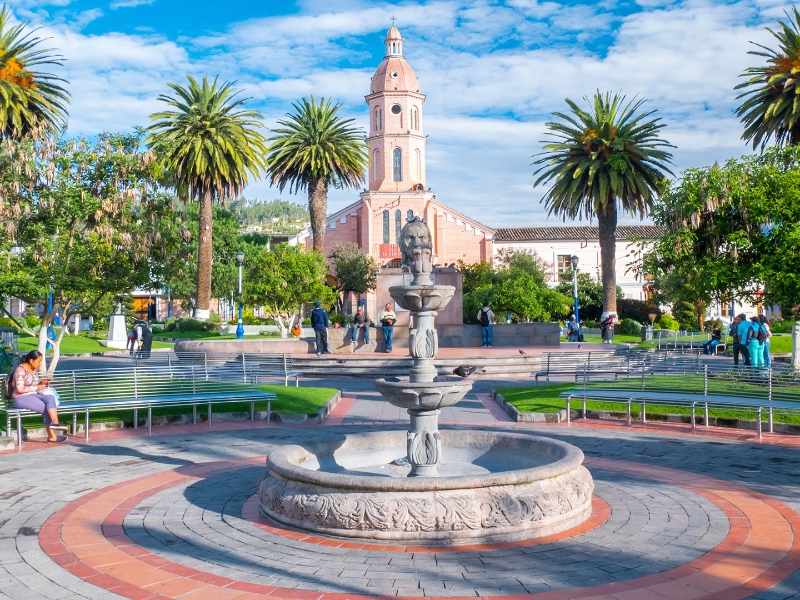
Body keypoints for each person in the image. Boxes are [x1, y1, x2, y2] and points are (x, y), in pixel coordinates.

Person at [10, 350, 68, 443]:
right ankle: (52, 437)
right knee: (46, 409)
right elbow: (20, 389)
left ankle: (56, 423)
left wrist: (40, 383)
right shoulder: (20, 370)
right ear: (31, 360)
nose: (39, 364)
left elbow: (32, 383)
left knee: (50, 398)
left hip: (32, 394)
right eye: (38, 361)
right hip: (20, 397)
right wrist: (36, 386)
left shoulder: (34, 370)